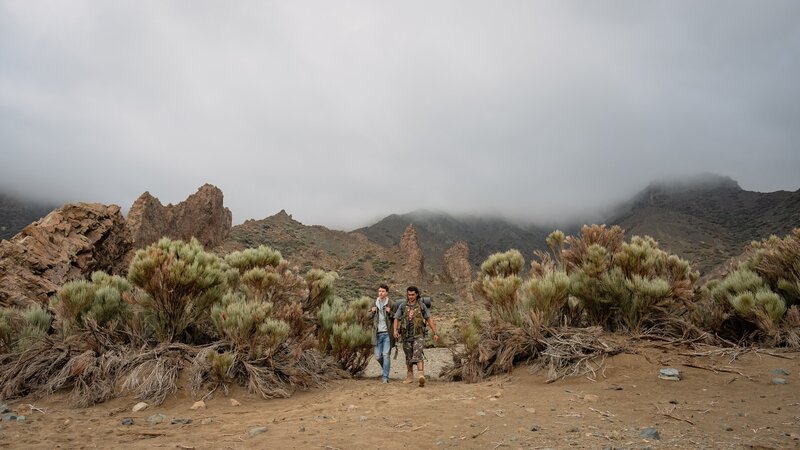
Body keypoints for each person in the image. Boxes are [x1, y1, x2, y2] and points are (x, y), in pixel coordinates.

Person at [393, 285, 439, 387]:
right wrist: (395, 330)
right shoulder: (403, 306)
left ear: (417, 294)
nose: (411, 296)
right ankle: (409, 377)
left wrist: (435, 332)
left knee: (418, 354)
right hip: (406, 335)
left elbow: (429, 319)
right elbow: (396, 318)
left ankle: (421, 376)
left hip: (419, 335)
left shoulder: (422, 306)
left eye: (413, 294)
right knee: (408, 357)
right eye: (409, 294)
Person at [369, 284, 394, 383]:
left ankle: (385, 377)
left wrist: (390, 312)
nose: (381, 293)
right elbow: (368, 316)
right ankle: (385, 369)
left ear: (387, 292)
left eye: (383, 291)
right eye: (379, 291)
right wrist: (372, 312)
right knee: (378, 356)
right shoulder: (374, 303)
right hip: (377, 333)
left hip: (387, 333)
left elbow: (397, 317)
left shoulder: (391, 303)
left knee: (386, 355)